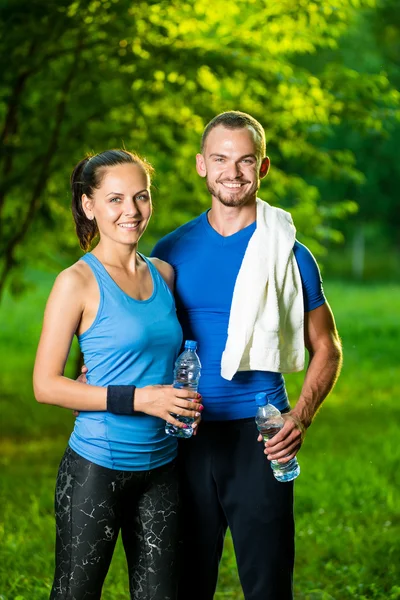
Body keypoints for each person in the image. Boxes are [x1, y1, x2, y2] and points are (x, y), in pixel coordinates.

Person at [151, 111, 343, 600]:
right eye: (220, 159)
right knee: (185, 581)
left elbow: (328, 347)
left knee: (267, 583)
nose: (232, 172)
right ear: (201, 165)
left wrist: (300, 417)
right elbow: (147, 335)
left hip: (260, 435)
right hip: (186, 431)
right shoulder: (170, 250)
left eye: (245, 161)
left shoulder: (289, 254)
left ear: (264, 167)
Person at [33, 149, 202, 600]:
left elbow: (162, 359)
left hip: (162, 469)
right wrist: (140, 399)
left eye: (141, 197)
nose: (131, 211)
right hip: (96, 468)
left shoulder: (164, 275)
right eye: (115, 199)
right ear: (89, 205)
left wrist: (182, 402)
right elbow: (45, 384)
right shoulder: (77, 281)